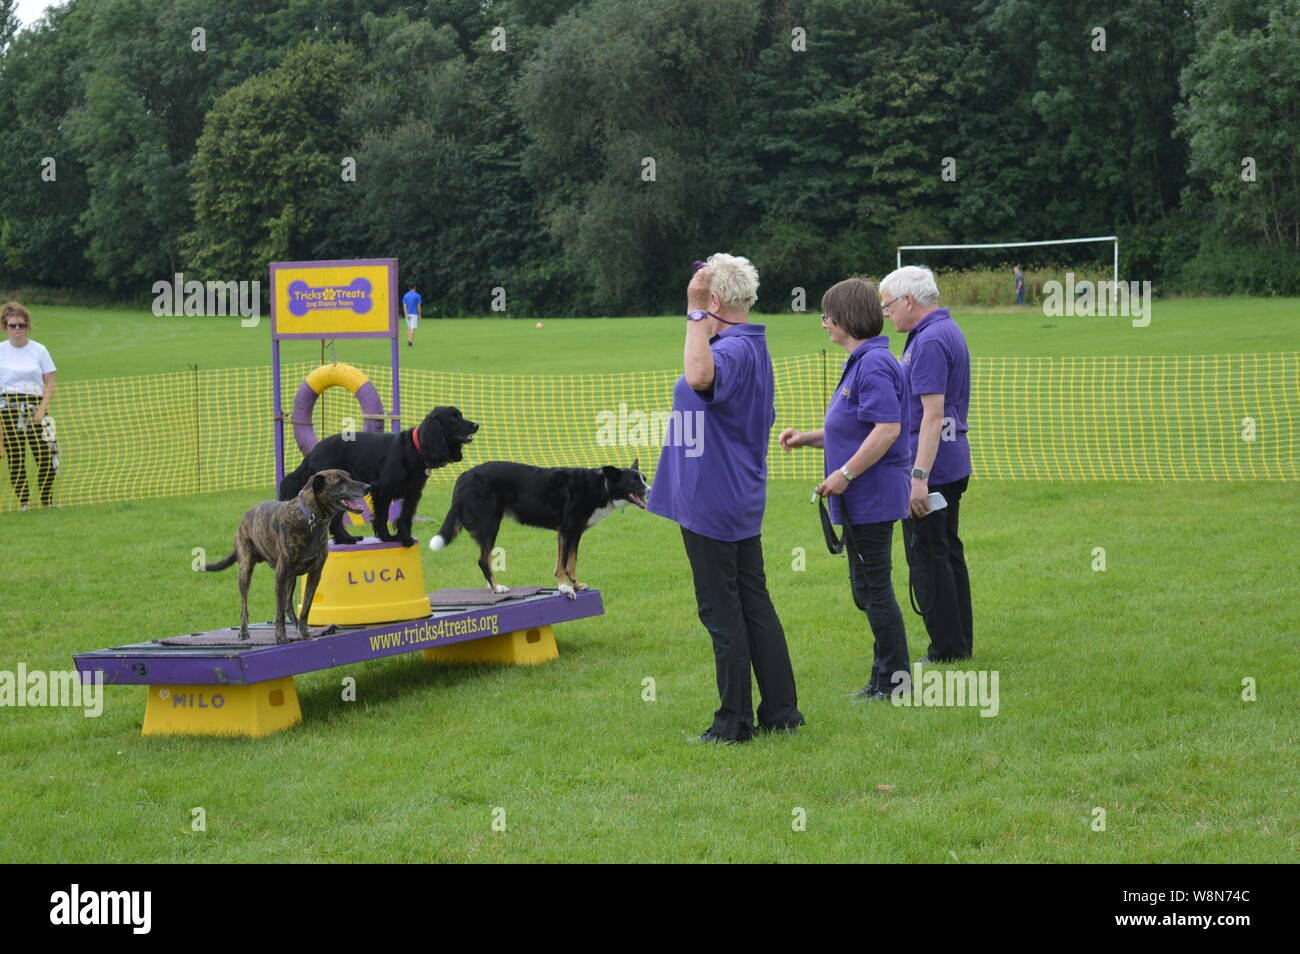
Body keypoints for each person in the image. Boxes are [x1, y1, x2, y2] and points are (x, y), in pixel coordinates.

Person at [648, 253, 803, 744]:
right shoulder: (752, 346)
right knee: (754, 602)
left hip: (713, 502)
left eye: (702, 301)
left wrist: (695, 311)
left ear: (714, 300)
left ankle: (733, 723)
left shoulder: (731, 352)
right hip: (738, 494)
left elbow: (698, 377)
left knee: (722, 610)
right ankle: (781, 712)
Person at [780, 278, 910, 701]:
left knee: (875, 588)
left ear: (845, 319)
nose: (824, 325)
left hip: (870, 496)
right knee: (867, 589)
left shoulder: (873, 364)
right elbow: (853, 428)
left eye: (827, 317)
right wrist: (809, 438)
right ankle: (881, 676)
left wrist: (845, 475)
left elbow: (887, 429)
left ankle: (893, 681)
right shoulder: (863, 361)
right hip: (863, 497)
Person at [878, 266, 972, 662]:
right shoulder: (942, 330)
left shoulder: (930, 340)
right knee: (945, 551)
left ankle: (946, 650)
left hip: (932, 465)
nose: (886, 313)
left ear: (908, 301)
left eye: (887, 305)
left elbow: (932, 415)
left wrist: (919, 477)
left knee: (928, 556)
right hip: (949, 460)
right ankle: (958, 643)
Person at [0, 302, 58, 510]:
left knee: (47, 455)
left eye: (21, 325)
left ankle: (47, 500)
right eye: (12, 325)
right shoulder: (0, 351)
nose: (17, 330)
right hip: (8, 410)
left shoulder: (39, 349)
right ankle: (24, 502)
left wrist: (42, 408)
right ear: (5, 327)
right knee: (16, 458)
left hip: (37, 409)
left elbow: (50, 382)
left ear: (27, 326)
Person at [402, 283, 422, 347]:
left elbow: (404, 305)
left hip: (408, 314)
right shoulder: (417, 295)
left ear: (409, 288)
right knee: (412, 328)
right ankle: (410, 342)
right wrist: (419, 314)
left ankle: (408, 340)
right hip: (414, 314)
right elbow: (418, 306)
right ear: (415, 287)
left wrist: (406, 314)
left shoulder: (405, 295)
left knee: (409, 327)